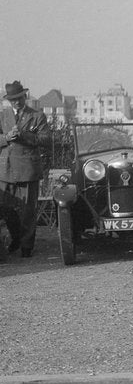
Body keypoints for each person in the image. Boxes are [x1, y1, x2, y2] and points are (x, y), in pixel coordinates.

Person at [0, 80, 51, 258]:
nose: (16, 102)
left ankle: (26, 246)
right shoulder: (2, 116)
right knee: (5, 208)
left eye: (19, 98)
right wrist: (7, 137)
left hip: (28, 170)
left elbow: (46, 139)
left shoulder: (37, 115)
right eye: (12, 100)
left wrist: (23, 135)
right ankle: (16, 239)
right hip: (5, 170)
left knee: (28, 210)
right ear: (8, 100)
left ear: (25, 96)